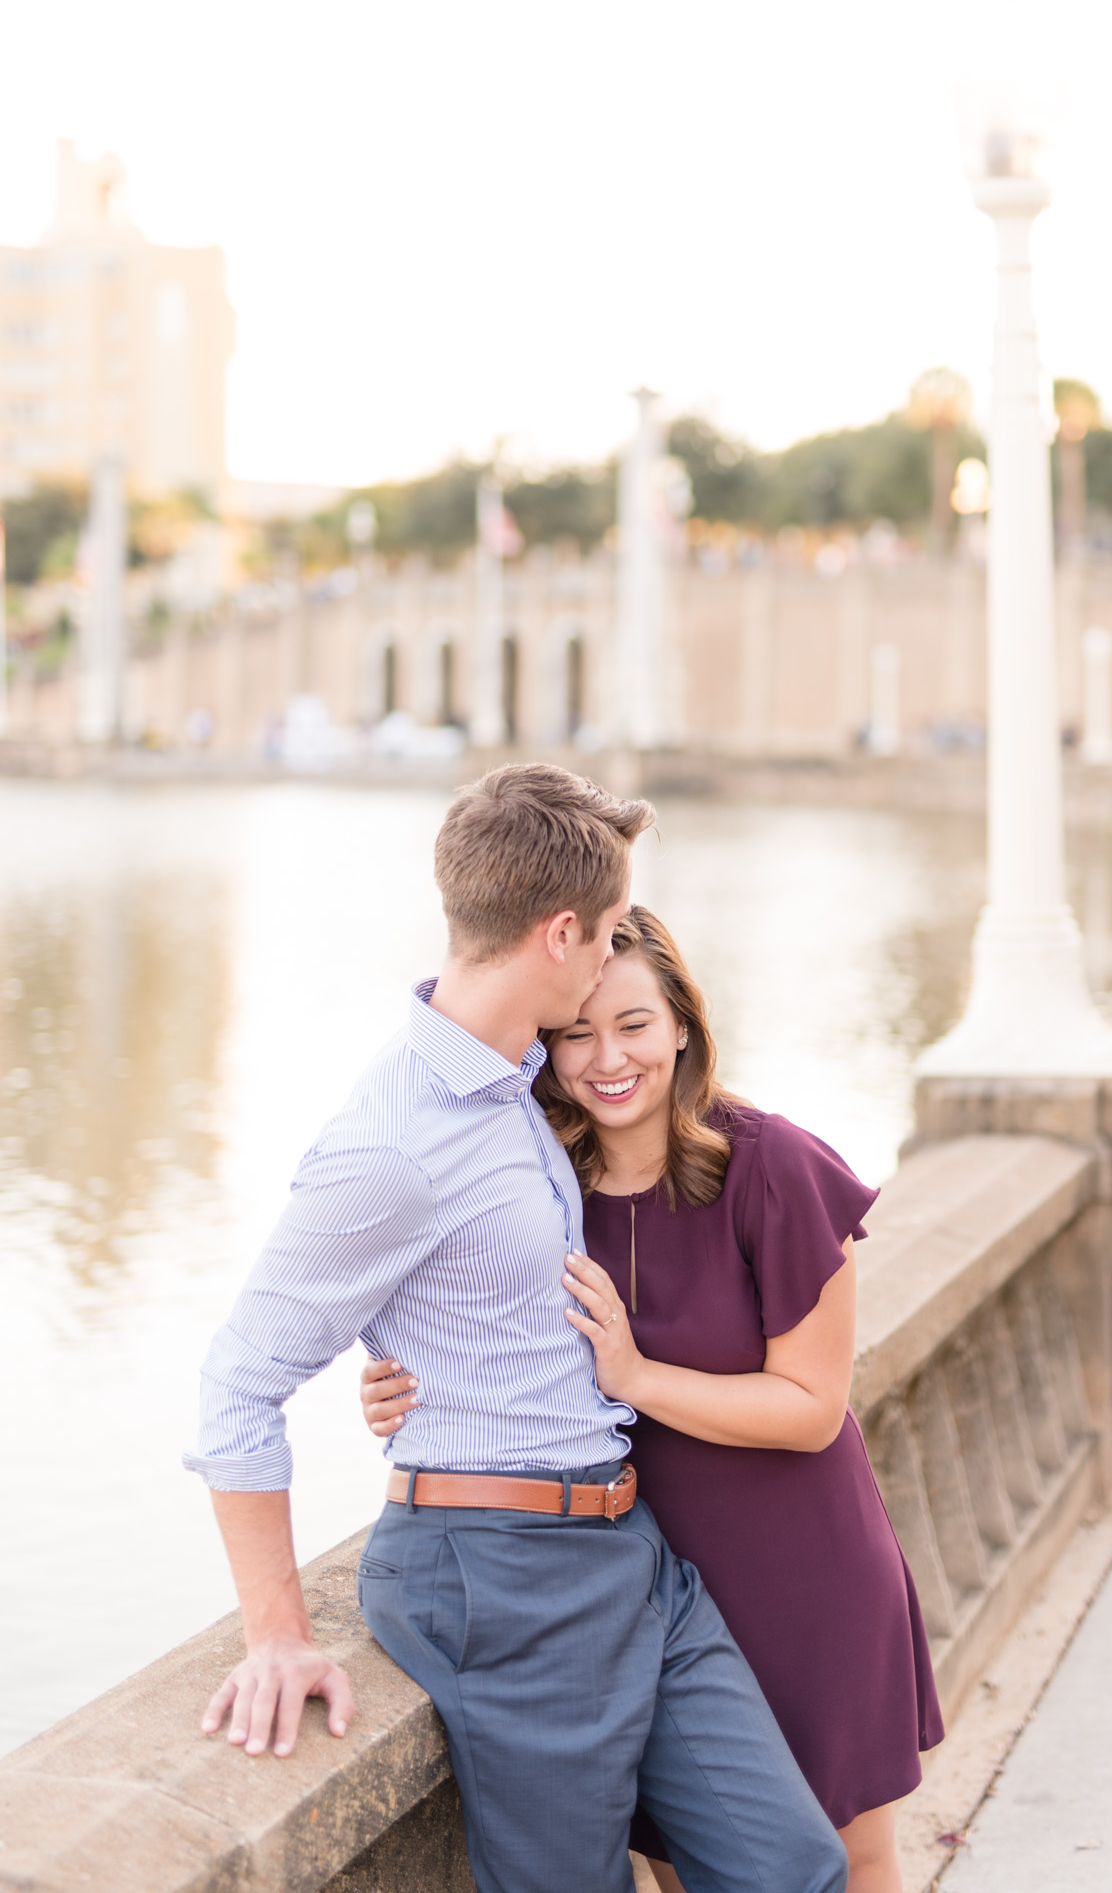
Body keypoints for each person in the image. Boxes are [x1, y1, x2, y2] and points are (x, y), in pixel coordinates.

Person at [185, 764, 847, 1893]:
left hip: (628, 1550)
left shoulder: (522, 1080)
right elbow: (236, 1385)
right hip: (497, 1575)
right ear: (556, 933)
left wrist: (401, 1364)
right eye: (598, 944)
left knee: (791, 1866)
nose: (607, 962)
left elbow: (468, 1291)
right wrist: (276, 1631)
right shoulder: (389, 1142)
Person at [362, 903, 943, 1893]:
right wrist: (405, 1384)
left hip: (802, 1569)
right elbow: (482, 1337)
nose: (605, 1058)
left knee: (845, 1855)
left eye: (632, 1023)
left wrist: (634, 1375)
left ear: (681, 1023)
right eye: (575, 1032)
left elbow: (809, 1408)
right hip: (640, 1581)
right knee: (679, 1865)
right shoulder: (538, 1186)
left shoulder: (774, 1166)